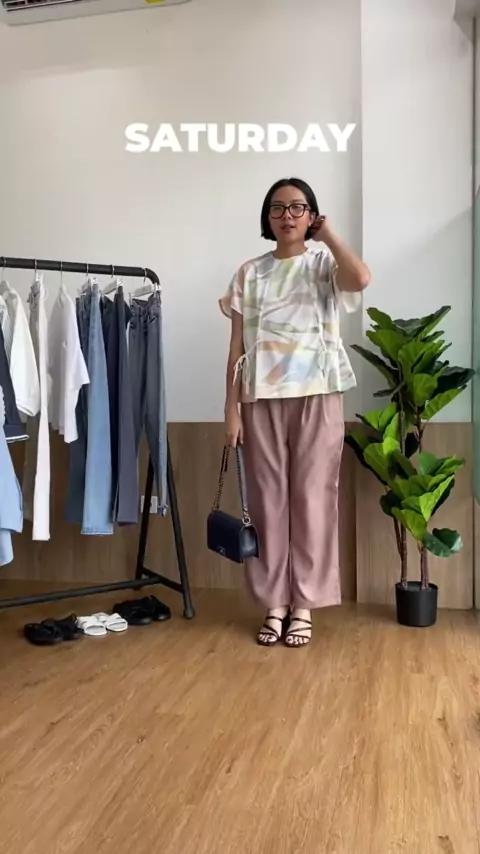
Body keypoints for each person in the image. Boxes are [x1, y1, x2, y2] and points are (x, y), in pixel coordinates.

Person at [219, 177, 370, 647]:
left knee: (313, 498)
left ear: (311, 215)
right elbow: (237, 347)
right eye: (278, 208)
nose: (287, 216)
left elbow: (361, 278)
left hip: (318, 394)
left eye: (298, 207)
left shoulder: (324, 265)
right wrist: (230, 408)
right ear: (267, 217)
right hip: (259, 397)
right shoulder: (249, 273)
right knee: (267, 501)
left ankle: (303, 603)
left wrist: (329, 235)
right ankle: (274, 604)